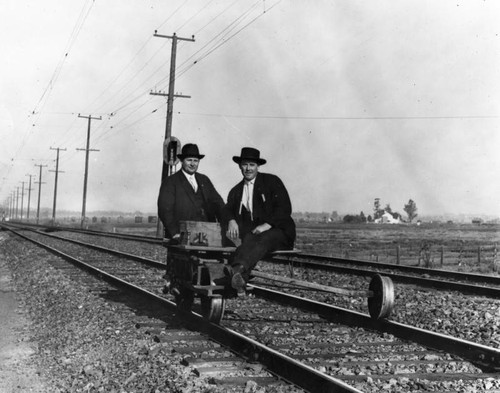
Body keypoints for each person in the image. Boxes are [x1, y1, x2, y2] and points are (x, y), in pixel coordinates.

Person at [225, 147, 296, 292]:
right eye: (245, 164)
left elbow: (285, 208)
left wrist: (268, 224)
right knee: (247, 241)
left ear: (258, 166)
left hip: (280, 233)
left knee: (264, 237)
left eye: (252, 165)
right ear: (239, 166)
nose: (248, 168)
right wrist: (231, 219)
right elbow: (226, 209)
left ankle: (237, 270)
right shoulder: (236, 191)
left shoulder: (271, 181)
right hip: (254, 237)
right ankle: (239, 277)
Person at [157, 143, 225, 241]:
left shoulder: (204, 180)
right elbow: (165, 210)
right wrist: (174, 233)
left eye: (196, 161)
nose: (193, 164)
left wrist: (228, 222)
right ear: (181, 161)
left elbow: (218, 203)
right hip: (181, 237)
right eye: (189, 160)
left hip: (207, 236)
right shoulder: (171, 182)